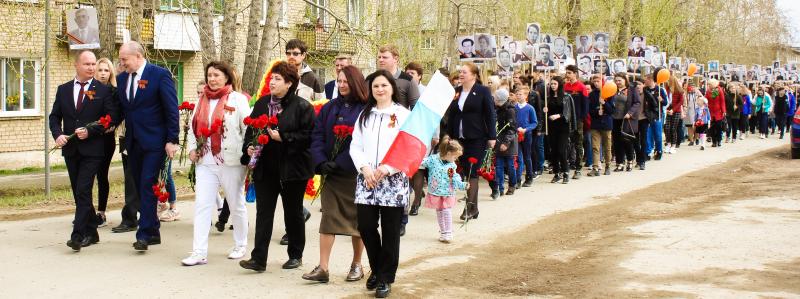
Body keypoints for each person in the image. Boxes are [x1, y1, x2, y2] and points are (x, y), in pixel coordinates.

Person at [239, 61, 314, 272]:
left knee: (293, 214)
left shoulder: (302, 106)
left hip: (292, 170)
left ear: (289, 83)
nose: (272, 82)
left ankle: (295, 255)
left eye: (277, 79)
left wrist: (285, 138)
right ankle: (258, 259)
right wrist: (249, 148)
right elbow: (250, 131)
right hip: (266, 168)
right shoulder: (262, 103)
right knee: (264, 214)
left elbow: (309, 138)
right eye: (271, 78)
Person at [180, 61, 251, 266]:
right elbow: (193, 128)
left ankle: (240, 244)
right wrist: (192, 149)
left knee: (236, 203)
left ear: (226, 77)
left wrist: (248, 154)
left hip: (231, 161)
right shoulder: (201, 99)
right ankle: (199, 252)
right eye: (209, 75)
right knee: (202, 205)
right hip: (205, 161)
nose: (212, 79)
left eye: (216, 75)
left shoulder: (237, 99)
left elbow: (246, 129)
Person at [349, 70, 412, 298]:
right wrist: (365, 167)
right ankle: (376, 268)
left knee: (390, 231)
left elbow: (409, 148)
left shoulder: (403, 115)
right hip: (367, 179)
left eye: (384, 85)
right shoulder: (365, 115)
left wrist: (387, 168)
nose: (380, 89)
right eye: (375, 86)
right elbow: (355, 145)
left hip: (392, 180)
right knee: (365, 226)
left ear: (392, 88)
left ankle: (385, 278)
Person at [302, 65, 368, 283]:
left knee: (357, 222)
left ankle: (357, 264)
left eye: (345, 82)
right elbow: (317, 134)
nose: (341, 85)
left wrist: (340, 162)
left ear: (355, 83)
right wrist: (321, 161)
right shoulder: (330, 107)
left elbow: (362, 143)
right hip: (331, 173)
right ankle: (323, 268)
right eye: (338, 81)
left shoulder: (365, 109)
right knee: (328, 218)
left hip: (354, 173)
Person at [49, 50, 117, 251]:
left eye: (93, 64)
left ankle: (78, 235)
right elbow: (54, 117)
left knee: (83, 189)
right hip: (71, 149)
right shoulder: (63, 90)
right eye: (87, 64)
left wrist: (91, 131)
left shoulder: (102, 91)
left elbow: (110, 118)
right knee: (78, 192)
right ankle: (92, 231)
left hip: (93, 150)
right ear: (76, 65)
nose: (91, 68)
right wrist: (58, 134)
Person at [117, 41, 180, 251]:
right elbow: (123, 110)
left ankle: (143, 234)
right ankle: (153, 230)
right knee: (140, 184)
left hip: (155, 141)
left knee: (146, 183)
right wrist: (105, 125)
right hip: (133, 142)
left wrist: (172, 140)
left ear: (138, 56)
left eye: (124, 59)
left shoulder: (159, 75)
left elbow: (171, 109)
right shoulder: (122, 78)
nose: (122, 63)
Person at [446, 62, 496, 220]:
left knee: (471, 172)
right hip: (459, 138)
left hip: (477, 137)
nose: (461, 74)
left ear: (474, 75)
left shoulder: (482, 91)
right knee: (465, 171)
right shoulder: (456, 91)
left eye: (464, 72)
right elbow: (451, 115)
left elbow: (490, 114)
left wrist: (492, 136)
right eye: (460, 72)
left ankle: (469, 207)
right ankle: (474, 209)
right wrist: (448, 135)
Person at [419, 137, 468, 243]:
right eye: (455, 157)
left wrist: (462, 184)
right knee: (439, 211)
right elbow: (421, 162)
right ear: (449, 153)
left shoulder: (451, 166)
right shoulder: (433, 160)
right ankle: (443, 232)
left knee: (446, 210)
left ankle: (449, 232)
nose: (456, 160)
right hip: (436, 191)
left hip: (447, 192)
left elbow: (454, 177)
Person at [93, 57, 117, 227]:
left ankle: (101, 212)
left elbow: (117, 113)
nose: (103, 74)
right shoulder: (89, 90)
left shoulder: (114, 91)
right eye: (100, 70)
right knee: (86, 176)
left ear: (111, 73)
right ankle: (85, 211)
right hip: (89, 138)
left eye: (106, 70)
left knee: (102, 175)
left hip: (106, 139)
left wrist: (113, 123)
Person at [543, 76, 575, 184]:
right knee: (554, 151)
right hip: (552, 127)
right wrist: (545, 110)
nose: (552, 86)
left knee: (561, 150)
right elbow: (546, 114)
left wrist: (558, 115)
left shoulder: (566, 97)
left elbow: (568, 113)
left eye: (555, 84)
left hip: (563, 127)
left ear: (559, 85)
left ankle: (565, 172)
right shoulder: (548, 98)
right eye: (551, 84)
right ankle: (557, 173)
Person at [491, 88, 518, 198]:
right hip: (498, 140)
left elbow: (512, 128)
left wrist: (506, 143)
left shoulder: (510, 110)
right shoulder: (496, 109)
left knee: (510, 165)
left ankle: (512, 185)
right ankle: (500, 188)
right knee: (499, 166)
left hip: (508, 141)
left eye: (496, 98)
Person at [587, 75, 615, 176]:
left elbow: (612, 110)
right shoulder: (592, 95)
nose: (596, 83)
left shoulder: (609, 93)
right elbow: (589, 109)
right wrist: (596, 112)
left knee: (607, 146)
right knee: (595, 147)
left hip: (606, 123)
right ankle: (595, 167)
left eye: (598, 81)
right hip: (595, 124)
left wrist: (604, 103)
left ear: (602, 81)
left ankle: (607, 165)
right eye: (594, 81)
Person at [611, 74, 639, 172]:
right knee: (617, 142)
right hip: (615, 119)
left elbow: (637, 102)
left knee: (627, 141)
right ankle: (620, 163)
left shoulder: (631, 89)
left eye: (620, 80)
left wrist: (630, 113)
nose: (618, 82)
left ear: (625, 80)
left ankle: (630, 161)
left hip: (626, 119)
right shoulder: (613, 89)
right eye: (616, 80)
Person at [377, 44, 420, 110]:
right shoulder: (371, 79)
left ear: (395, 59)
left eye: (384, 57)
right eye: (379, 57)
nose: (380, 60)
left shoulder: (408, 81)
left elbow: (416, 111)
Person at [563, 65, 588, 179]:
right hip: (566, 119)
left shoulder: (581, 87)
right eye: (566, 72)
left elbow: (585, 105)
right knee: (567, 143)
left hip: (577, 120)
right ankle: (568, 164)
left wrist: (581, 118)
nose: (567, 75)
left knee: (578, 143)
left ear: (575, 73)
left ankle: (578, 168)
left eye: (569, 73)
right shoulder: (565, 86)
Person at [515, 86, 538, 187]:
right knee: (518, 157)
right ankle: (518, 179)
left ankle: (529, 177)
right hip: (516, 135)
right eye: (517, 94)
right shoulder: (514, 107)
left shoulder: (530, 108)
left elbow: (534, 123)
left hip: (526, 135)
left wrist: (526, 129)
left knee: (527, 157)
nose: (519, 96)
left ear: (525, 95)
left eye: (521, 94)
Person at [643, 74, 669, 160]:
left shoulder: (660, 89)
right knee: (647, 134)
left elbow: (665, 103)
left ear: (651, 80)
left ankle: (659, 151)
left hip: (657, 115)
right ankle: (648, 152)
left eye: (646, 80)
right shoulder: (645, 89)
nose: (645, 81)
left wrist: (662, 100)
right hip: (647, 115)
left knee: (657, 135)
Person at [664, 75, 685, 153]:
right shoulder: (667, 89)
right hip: (668, 110)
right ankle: (668, 144)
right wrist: (665, 109)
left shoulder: (679, 90)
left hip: (676, 111)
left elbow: (681, 102)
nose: (667, 83)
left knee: (673, 128)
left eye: (669, 81)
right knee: (667, 128)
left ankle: (673, 145)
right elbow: (666, 100)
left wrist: (673, 110)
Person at [704, 79, 726, 147]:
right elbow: (705, 99)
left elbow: (722, 101)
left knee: (718, 127)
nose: (709, 85)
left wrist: (724, 111)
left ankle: (719, 140)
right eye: (708, 84)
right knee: (712, 128)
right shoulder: (708, 91)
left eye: (710, 84)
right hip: (710, 112)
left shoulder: (719, 90)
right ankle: (714, 142)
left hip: (718, 112)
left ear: (713, 84)